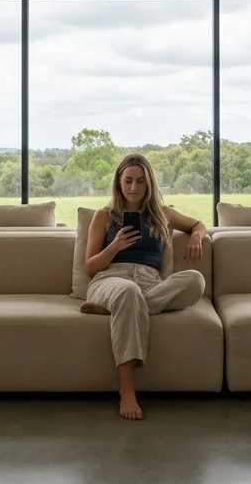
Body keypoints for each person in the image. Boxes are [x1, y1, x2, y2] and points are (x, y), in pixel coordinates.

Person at [80, 153, 207, 420]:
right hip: (111, 279)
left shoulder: (163, 214)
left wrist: (196, 236)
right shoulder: (104, 216)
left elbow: (198, 224)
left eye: (140, 181)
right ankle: (127, 390)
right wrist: (115, 247)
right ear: (118, 182)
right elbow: (91, 267)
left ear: (149, 184)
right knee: (128, 292)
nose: (134, 187)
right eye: (128, 181)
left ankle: (112, 310)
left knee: (195, 279)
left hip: (150, 284)